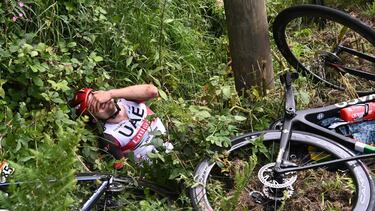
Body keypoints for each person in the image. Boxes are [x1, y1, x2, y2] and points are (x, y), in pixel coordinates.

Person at [70, 84, 171, 169]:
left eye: (97, 98)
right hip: (160, 169)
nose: (100, 102)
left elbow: (152, 91)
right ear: (94, 119)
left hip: (176, 147)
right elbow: (126, 169)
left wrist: (110, 93)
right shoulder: (109, 137)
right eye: (94, 106)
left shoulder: (127, 99)